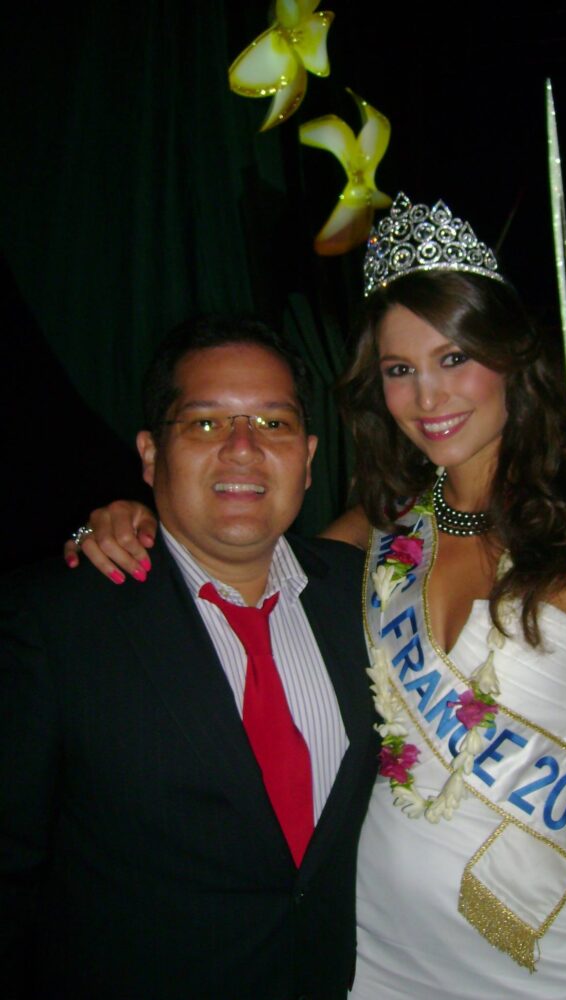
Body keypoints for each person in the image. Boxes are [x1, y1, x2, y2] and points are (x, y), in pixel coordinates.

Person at [63, 195, 566, 999]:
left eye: (454, 357)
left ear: (510, 357)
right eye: (399, 370)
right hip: (377, 953)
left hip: (544, 950)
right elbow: (231, 556)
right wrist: (128, 519)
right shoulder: (378, 531)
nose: (429, 397)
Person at [0, 316, 378, 999]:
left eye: (273, 423)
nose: (243, 448)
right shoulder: (52, 623)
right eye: (206, 423)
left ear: (308, 456)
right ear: (150, 455)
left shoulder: (362, 596)